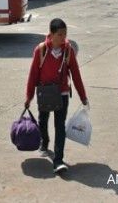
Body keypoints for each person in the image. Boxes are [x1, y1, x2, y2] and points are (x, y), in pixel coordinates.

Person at [25, 18, 89, 174]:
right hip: (45, 93)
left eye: (65, 34)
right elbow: (33, 75)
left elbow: (76, 74)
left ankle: (58, 160)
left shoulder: (68, 51)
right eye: (60, 34)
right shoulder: (40, 50)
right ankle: (44, 141)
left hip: (62, 93)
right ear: (51, 34)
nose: (63, 38)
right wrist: (29, 96)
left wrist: (83, 96)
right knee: (43, 120)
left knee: (60, 126)